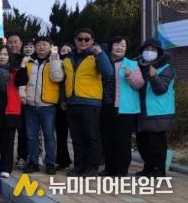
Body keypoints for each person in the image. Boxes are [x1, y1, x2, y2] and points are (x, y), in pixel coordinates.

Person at [62, 28, 114, 177]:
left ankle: (92, 167)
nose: (83, 41)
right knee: (76, 138)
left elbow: (108, 73)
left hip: (90, 103)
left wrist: (100, 54)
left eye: (86, 39)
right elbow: (64, 80)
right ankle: (79, 166)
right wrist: (64, 99)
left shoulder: (96, 56)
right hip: (72, 103)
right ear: (75, 40)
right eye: (80, 39)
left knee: (91, 137)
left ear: (92, 41)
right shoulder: (68, 58)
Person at [99, 37, 143, 177]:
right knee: (107, 139)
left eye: (123, 45)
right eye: (117, 44)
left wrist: (130, 76)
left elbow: (139, 84)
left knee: (122, 140)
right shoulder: (103, 62)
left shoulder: (132, 64)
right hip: (106, 106)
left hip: (125, 109)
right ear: (111, 46)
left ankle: (121, 170)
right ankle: (109, 168)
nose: (120, 47)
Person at [22, 36, 64, 175]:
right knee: (31, 135)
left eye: (45, 44)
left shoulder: (55, 61)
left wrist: (55, 60)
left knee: (49, 136)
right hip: (30, 105)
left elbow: (57, 78)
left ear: (50, 46)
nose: (41, 47)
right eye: (38, 44)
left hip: (47, 105)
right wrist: (23, 96)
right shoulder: (29, 62)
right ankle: (33, 162)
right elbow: (22, 81)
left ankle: (50, 163)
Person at [135, 38, 176, 177]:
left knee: (156, 144)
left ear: (159, 52)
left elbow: (161, 89)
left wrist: (153, 77)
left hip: (158, 111)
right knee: (142, 143)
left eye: (153, 50)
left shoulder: (166, 68)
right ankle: (148, 167)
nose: (149, 52)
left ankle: (159, 170)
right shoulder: (139, 66)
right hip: (142, 110)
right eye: (147, 49)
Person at [0, 43, 27, 178]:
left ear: (9, 57)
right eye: (0, 54)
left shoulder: (15, 71)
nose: (2, 57)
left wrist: (22, 66)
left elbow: (22, 81)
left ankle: (6, 167)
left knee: (8, 141)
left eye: (5, 54)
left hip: (10, 111)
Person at [6, 33, 29, 170]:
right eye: (10, 42)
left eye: (16, 42)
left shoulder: (26, 60)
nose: (13, 45)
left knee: (24, 131)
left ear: (21, 44)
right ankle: (6, 158)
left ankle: (22, 156)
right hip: (8, 101)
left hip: (24, 101)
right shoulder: (4, 59)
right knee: (8, 133)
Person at [56, 42, 73, 170]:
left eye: (69, 50)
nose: (66, 52)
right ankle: (63, 160)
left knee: (76, 135)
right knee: (61, 135)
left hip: (72, 103)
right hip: (57, 104)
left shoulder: (74, 65)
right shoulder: (56, 65)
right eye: (63, 50)